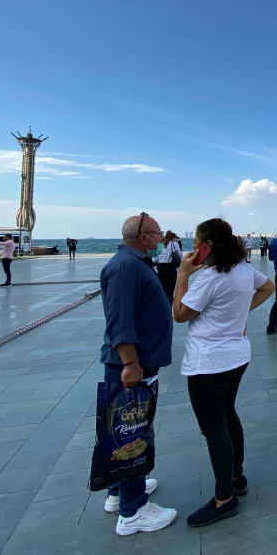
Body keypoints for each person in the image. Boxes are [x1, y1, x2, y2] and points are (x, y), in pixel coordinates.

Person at [173, 217, 275, 527]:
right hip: (237, 357)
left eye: (195, 245)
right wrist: (242, 314)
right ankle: (237, 476)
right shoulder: (243, 269)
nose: (192, 251)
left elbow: (179, 314)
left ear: (207, 247)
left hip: (209, 363)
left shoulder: (208, 279)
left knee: (214, 428)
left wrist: (182, 275)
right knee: (227, 413)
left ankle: (224, 497)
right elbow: (268, 286)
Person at [100, 213, 176, 535]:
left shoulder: (135, 262)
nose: (161, 238)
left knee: (125, 429)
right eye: (157, 233)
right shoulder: (127, 267)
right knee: (132, 432)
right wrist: (130, 363)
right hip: (131, 366)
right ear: (142, 236)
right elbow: (120, 320)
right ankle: (133, 513)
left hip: (138, 363)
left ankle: (119, 493)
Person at [155, 230, 183, 302]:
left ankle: (162, 308)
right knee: (170, 291)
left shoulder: (160, 245)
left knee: (162, 291)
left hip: (161, 269)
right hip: (170, 269)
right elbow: (181, 256)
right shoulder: (174, 244)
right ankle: (169, 309)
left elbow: (154, 259)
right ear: (172, 237)